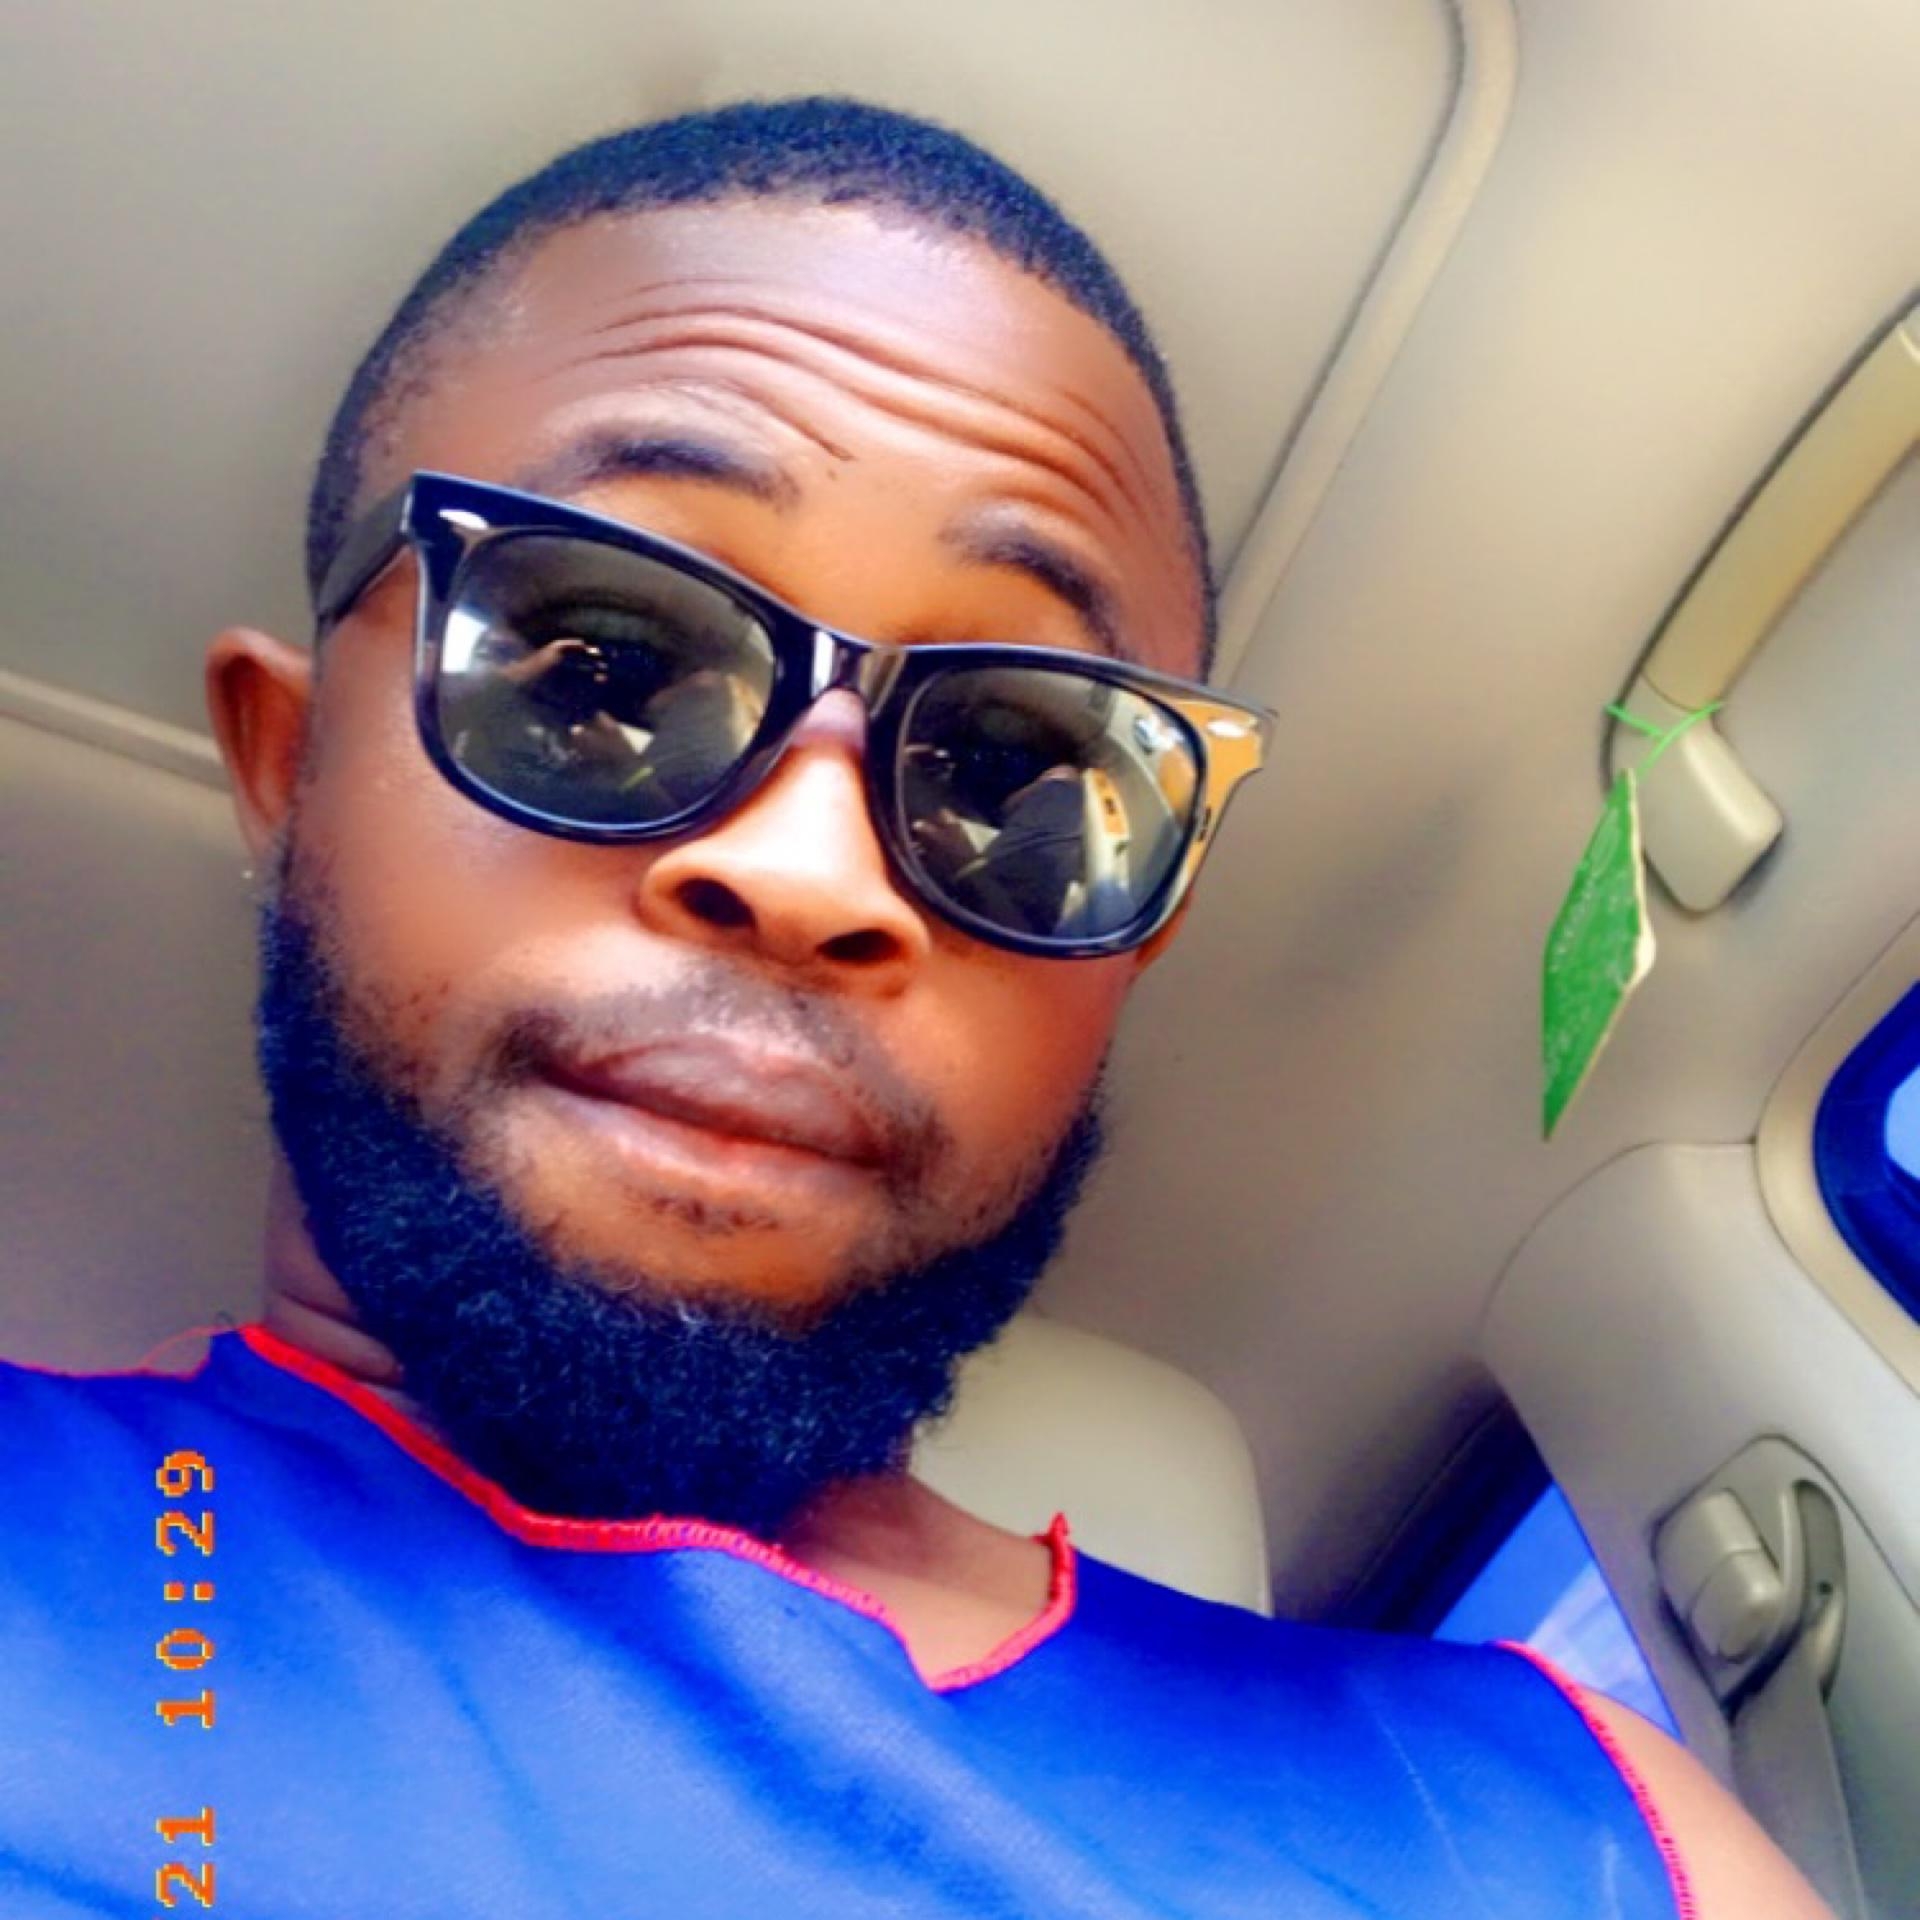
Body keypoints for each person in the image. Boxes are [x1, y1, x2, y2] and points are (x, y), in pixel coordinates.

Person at [2, 99, 1826, 1917]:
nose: (813, 874)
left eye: (1022, 773)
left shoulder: (1570, 1824)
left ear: (1130, 950)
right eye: (599, 668)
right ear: (289, 764)